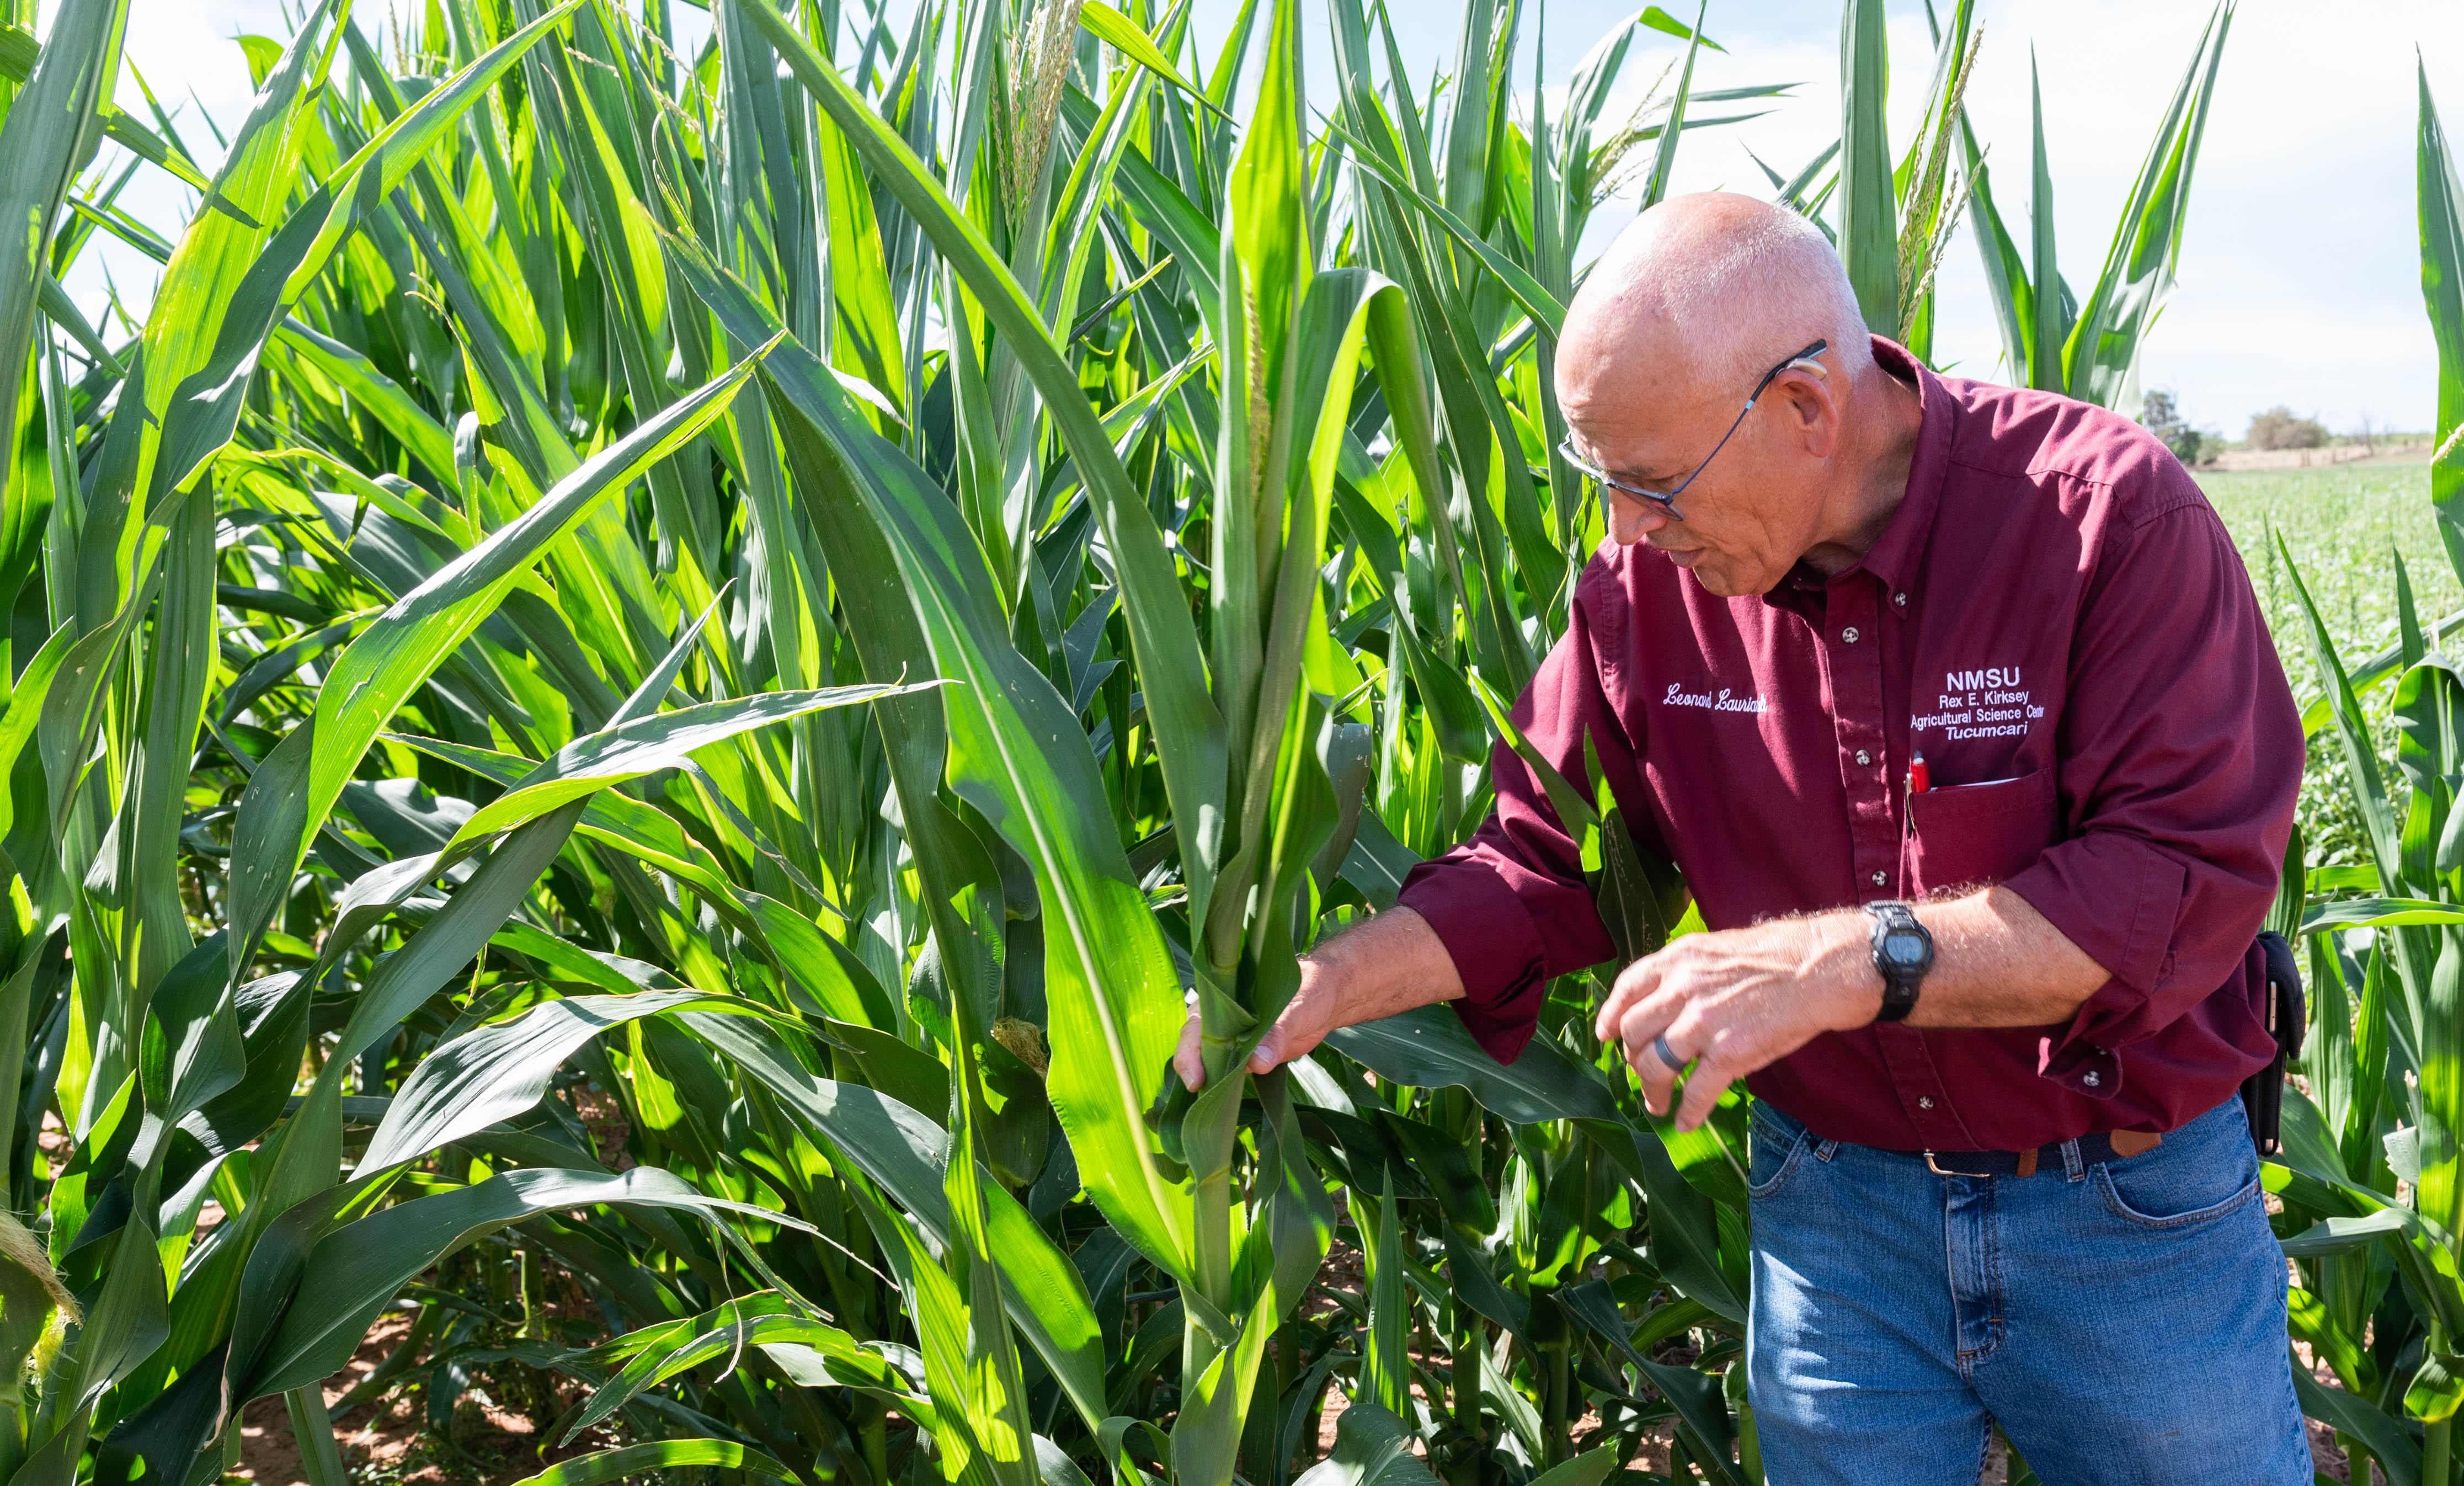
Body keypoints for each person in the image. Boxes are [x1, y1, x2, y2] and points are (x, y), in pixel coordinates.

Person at [1172, 193, 2311, 1484]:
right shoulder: (1652, 588)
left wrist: (1840, 964)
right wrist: (1320, 985)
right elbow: (1548, 865)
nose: (1625, 533)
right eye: (1604, 485)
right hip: (1837, 1222)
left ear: (1806, 410)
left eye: (1652, 485)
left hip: (2120, 1209)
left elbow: (2168, 887)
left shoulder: (2105, 520)